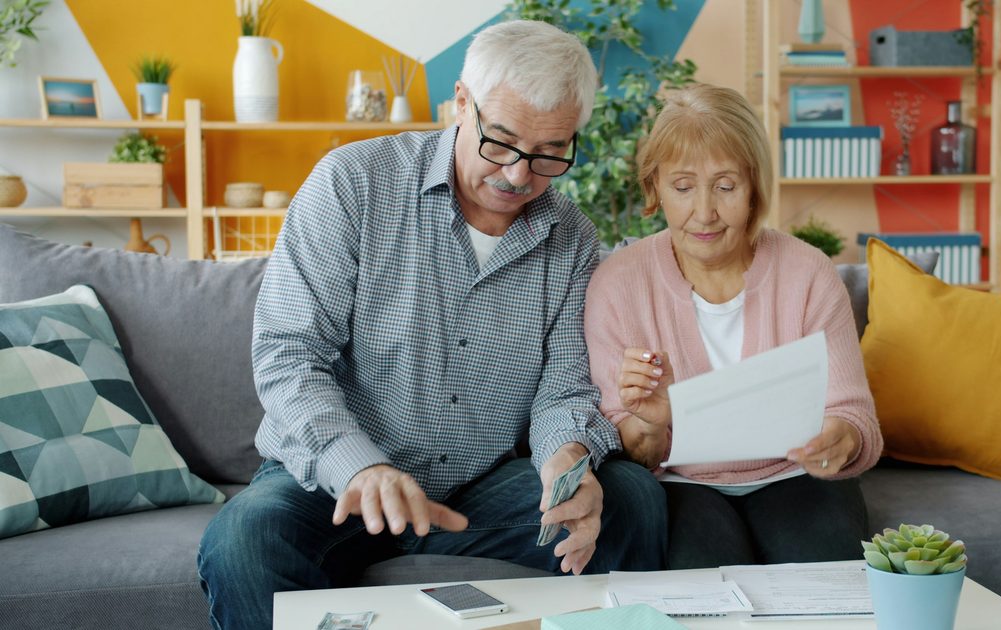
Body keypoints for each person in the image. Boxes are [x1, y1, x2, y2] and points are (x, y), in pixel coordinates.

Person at [198, 20, 666, 629]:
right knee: (243, 543)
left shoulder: (572, 237)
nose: (520, 175)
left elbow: (564, 389)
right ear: (462, 103)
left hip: (479, 487)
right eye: (501, 142)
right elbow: (290, 356)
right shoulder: (352, 184)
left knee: (631, 501)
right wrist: (361, 469)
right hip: (332, 487)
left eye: (551, 152)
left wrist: (566, 460)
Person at [583, 83, 882, 569]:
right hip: (681, 481)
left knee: (827, 593)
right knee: (705, 595)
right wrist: (653, 424)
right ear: (654, 186)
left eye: (726, 186)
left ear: (754, 188)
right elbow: (632, 453)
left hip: (793, 475)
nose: (705, 213)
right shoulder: (618, 283)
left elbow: (854, 415)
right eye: (682, 187)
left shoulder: (807, 271)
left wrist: (840, 438)